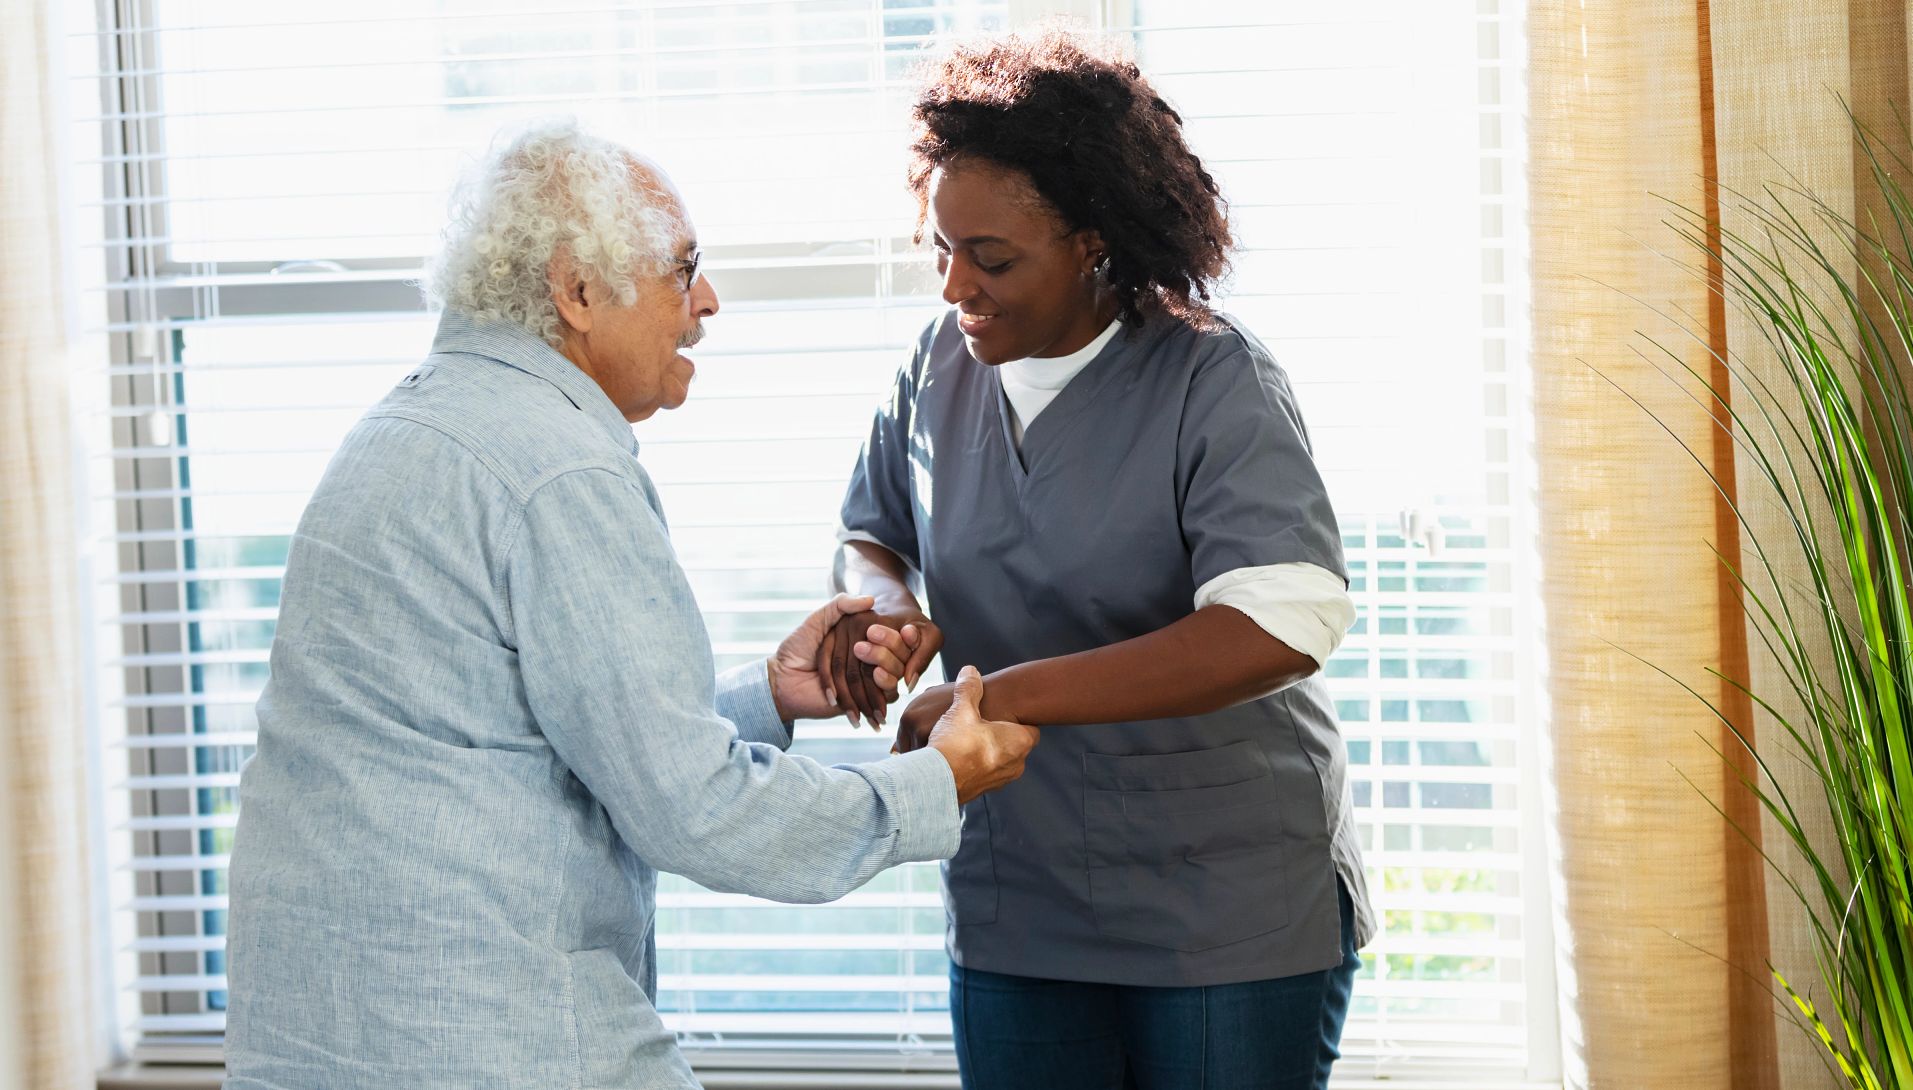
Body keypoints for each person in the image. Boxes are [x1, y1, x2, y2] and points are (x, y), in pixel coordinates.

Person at [222, 120, 1038, 1090]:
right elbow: (692, 809)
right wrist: (930, 786)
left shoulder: (400, 431)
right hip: (484, 1037)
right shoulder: (557, 467)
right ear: (575, 292)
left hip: (321, 1037)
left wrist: (764, 698)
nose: (704, 302)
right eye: (682, 267)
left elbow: (518, 735)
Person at [825, 31, 1375, 1090]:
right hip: (1018, 901)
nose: (954, 288)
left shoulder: (1212, 378)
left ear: (1090, 240)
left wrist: (1002, 690)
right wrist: (883, 609)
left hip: (1223, 907)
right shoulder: (938, 364)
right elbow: (871, 530)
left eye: (991, 258)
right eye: (938, 248)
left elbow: (1279, 622)